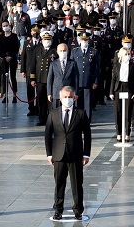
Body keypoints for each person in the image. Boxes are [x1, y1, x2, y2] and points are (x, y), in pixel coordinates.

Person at [45, 86, 91, 221]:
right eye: (65, 97)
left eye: (70, 97)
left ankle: (78, 210)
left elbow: (87, 135)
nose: (68, 99)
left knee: (77, 184)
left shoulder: (81, 113)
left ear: (75, 97)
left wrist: (86, 154)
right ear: (60, 98)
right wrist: (49, 154)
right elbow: (48, 135)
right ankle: (58, 210)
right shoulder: (53, 113)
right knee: (59, 183)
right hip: (58, 154)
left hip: (75, 154)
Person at [111, 42, 134, 142]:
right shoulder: (116, 66)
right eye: (126, 54)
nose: (128, 56)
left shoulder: (133, 65)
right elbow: (113, 79)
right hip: (118, 88)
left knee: (128, 112)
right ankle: (119, 133)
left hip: (129, 89)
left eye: (129, 54)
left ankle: (127, 133)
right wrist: (111, 92)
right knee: (118, 112)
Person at [71, 32, 99, 121]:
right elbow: (71, 67)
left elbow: (97, 68)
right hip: (77, 82)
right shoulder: (74, 51)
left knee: (88, 103)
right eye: (82, 40)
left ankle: (87, 120)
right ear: (79, 40)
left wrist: (95, 81)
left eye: (86, 40)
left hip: (88, 81)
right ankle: (78, 119)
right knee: (77, 102)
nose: (84, 42)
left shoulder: (93, 52)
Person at [47, 44, 79, 108]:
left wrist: (76, 92)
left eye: (64, 50)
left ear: (67, 51)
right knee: (56, 112)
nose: (62, 52)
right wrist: (49, 93)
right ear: (57, 52)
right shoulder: (53, 63)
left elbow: (76, 79)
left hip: (69, 93)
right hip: (56, 93)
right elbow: (50, 79)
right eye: (60, 51)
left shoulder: (73, 63)